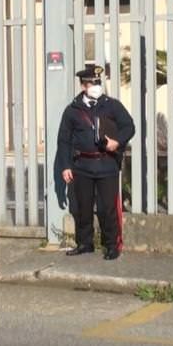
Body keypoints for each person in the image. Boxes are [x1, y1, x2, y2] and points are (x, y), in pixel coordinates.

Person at [55, 64, 135, 260]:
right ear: (83, 86)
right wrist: (65, 165)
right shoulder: (72, 110)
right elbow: (63, 140)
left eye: (98, 82)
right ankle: (85, 243)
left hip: (107, 164)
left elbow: (129, 126)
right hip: (82, 165)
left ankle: (111, 245)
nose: (96, 86)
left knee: (108, 209)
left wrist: (117, 142)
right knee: (83, 207)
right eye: (91, 83)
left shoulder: (112, 105)